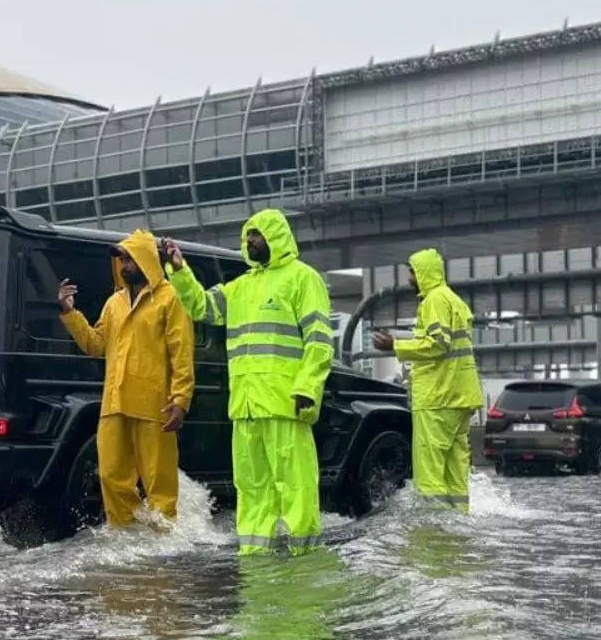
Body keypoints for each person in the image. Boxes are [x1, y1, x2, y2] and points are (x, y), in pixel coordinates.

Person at [162, 208, 334, 555]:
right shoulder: (240, 287)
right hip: (246, 406)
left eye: (257, 234)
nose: (250, 241)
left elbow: (319, 340)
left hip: (285, 402)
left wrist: (307, 387)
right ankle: (255, 555)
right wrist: (179, 270)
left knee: (296, 485)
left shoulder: (303, 278)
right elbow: (202, 307)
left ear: (277, 238)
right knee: (252, 487)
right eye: (248, 235)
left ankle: (306, 558)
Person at [58, 229, 195, 528]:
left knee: (159, 478)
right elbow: (95, 345)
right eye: (120, 259)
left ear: (144, 259)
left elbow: (181, 352)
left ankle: (165, 539)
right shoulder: (114, 303)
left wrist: (180, 399)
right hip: (115, 403)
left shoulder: (169, 298)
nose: (123, 265)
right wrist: (70, 314)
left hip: (154, 403)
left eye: (128, 259)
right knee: (110, 476)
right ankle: (126, 535)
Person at [372, 248, 483, 512]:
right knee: (455, 469)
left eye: (412, 272)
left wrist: (396, 345)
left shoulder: (434, 300)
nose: (410, 279)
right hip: (460, 396)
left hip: (438, 397)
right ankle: (458, 521)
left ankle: (433, 530)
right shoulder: (453, 300)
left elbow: (438, 344)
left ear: (423, 273)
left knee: (430, 469)